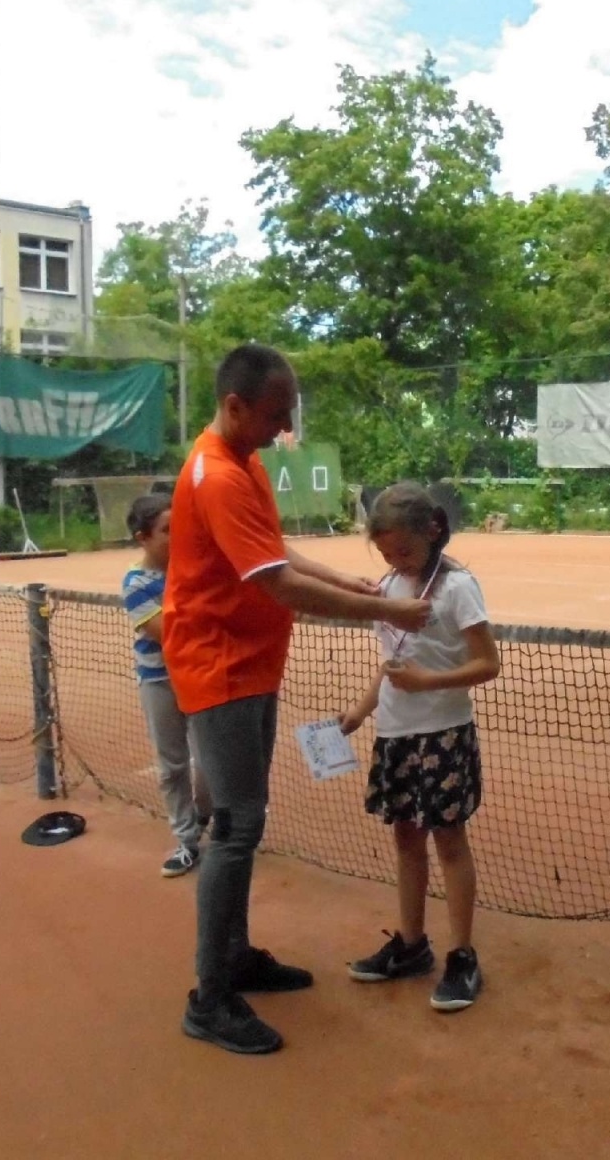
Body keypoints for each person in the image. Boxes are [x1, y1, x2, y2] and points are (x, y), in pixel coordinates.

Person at [164, 343, 432, 1056]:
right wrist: (390, 613)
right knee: (238, 825)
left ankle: (236, 956)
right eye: (276, 414)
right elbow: (277, 586)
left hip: (251, 663)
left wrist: (351, 583)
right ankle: (209, 996)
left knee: (243, 820)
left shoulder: (244, 459)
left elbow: (275, 552)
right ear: (235, 407)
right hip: (216, 667)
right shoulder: (217, 474)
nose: (284, 427)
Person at [339, 482, 500, 1012]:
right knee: (406, 841)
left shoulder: (458, 587)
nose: (394, 562)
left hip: (444, 732)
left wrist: (426, 683)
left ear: (431, 532)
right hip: (395, 734)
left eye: (403, 552)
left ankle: (462, 956)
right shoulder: (387, 586)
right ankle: (410, 945)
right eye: (386, 554)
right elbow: (392, 663)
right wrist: (362, 711)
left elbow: (487, 665)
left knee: (449, 842)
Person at [122, 492, 211, 878]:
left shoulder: (194, 569)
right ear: (143, 537)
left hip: (201, 678)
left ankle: (207, 815)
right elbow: (169, 634)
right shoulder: (136, 582)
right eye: (166, 531)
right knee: (172, 765)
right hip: (159, 681)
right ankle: (186, 840)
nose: (176, 538)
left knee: (210, 763)